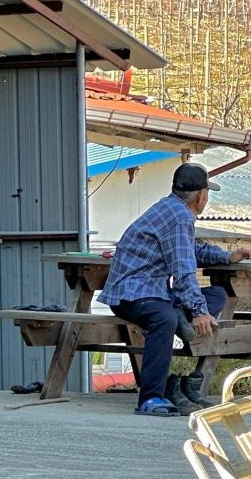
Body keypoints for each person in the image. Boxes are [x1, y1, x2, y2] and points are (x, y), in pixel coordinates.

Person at [98, 162, 251, 417]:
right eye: (207, 193)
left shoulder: (172, 209)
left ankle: (183, 379)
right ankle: (151, 398)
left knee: (217, 295)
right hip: (133, 292)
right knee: (164, 318)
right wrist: (198, 311)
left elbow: (191, 250)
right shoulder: (179, 217)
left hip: (153, 291)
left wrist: (227, 256)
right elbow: (183, 270)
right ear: (201, 196)